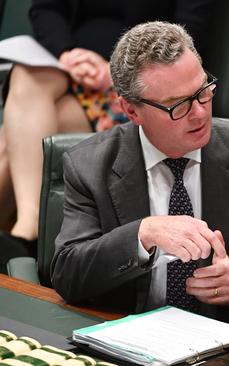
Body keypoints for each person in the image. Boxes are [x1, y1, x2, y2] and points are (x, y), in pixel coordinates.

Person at [49, 21, 229, 363]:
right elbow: (68, 275)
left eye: (203, 90)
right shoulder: (89, 165)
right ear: (131, 110)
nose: (200, 112)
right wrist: (142, 234)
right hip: (128, 343)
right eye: (178, 105)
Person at [0, 0, 216, 272]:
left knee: (15, 134)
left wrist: (114, 73)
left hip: (141, 88)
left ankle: (25, 233)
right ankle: (30, 225)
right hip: (69, 65)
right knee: (25, 78)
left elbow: (191, 30)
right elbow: (46, 8)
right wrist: (67, 53)